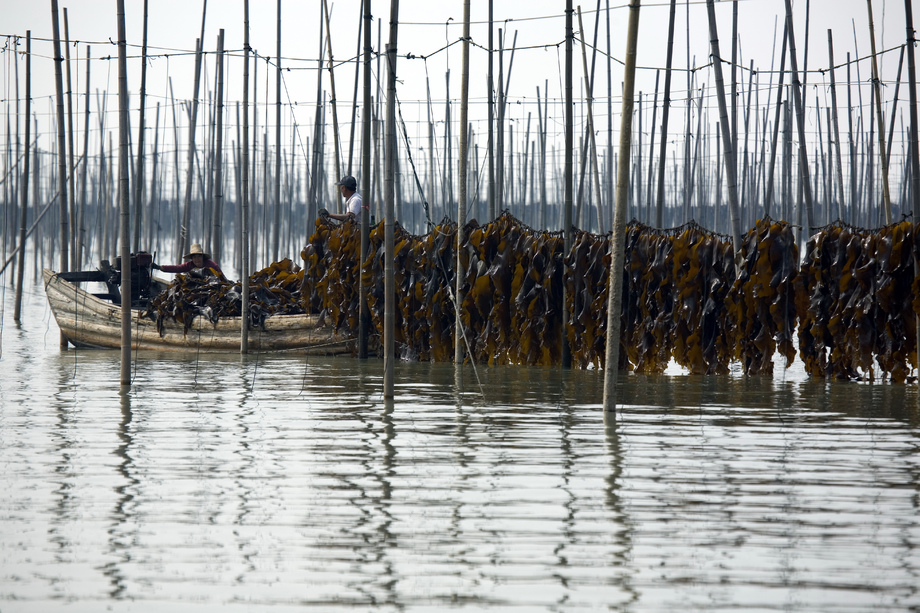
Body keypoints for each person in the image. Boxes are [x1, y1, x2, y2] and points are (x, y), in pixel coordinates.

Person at [153, 243, 222, 275]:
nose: (197, 259)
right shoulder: (190, 265)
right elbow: (177, 268)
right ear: (192, 259)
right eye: (194, 257)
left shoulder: (212, 265)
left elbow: (221, 278)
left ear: (203, 257)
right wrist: (159, 267)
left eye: (199, 256)